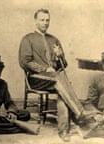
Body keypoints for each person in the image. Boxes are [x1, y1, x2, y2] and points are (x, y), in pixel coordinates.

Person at [19, 8, 73, 142]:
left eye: (47, 20)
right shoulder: (28, 39)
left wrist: (60, 56)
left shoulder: (54, 39)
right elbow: (25, 62)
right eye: (42, 20)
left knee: (62, 86)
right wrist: (44, 68)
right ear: (35, 21)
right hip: (36, 78)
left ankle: (63, 129)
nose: (45, 23)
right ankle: (79, 116)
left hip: (55, 79)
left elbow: (62, 65)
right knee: (62, 83)